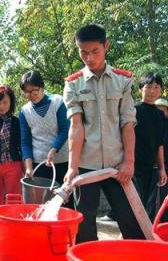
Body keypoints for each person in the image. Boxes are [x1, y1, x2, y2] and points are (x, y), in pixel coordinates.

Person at [63, 23, 144, 242]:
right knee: (84, 224)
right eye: (83, 52)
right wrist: (72, 168)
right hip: (86, 166)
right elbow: (76, 126)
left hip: (118, 166)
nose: (89, 58)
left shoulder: (123, 80)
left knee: (131, 220)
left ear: (106, 46)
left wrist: (129, 161)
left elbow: (128, 123)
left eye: (95, 51)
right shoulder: (73, 84)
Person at [19, 70, 70, 186]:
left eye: (35, 90)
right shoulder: (25, 112)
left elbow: (65, 130)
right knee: (42, 200)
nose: (31, 94)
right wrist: (28, 167)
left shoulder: (57, 102)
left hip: (62, 160)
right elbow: (25, 142)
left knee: (65, 198)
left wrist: (54, 149)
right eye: (27, 92)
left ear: (42, 87)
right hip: (39, 163)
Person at [134, 73, 167, 207]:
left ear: (161, 90)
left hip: (149, 166)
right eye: (148, 87)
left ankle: (141, 228)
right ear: (140, 89)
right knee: (133, 203)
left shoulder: (160, 115)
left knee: (144, 202)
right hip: (132, 165)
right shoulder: (133, 111)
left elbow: (160, 143)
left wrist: (161, 168)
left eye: (156, 87)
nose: (152, 91)